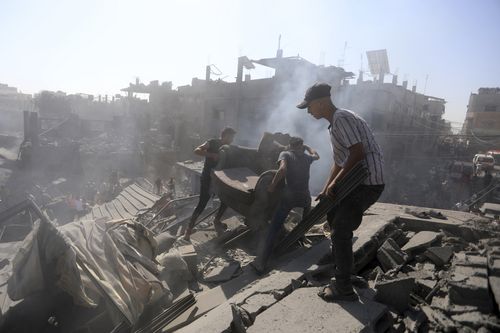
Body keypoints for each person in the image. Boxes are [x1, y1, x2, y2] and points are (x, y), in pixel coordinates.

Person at [297, 83, 385, 302]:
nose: (309, 111)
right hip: (358, 182)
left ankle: (343, 286)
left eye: (310, 107)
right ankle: (344, 270)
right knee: (333, 216)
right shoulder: (334, 125)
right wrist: (328, 187)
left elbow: (357, 152)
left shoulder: (342, 119)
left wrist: (336, 183)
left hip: (367, 182)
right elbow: (339, 161)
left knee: (340, 230)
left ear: (321, 103)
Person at [254, 136, 319, 271]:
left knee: (273, 228)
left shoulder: (286, 154)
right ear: (301, 146)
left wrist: (272, 185)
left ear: (290, 145)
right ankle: (301, 235)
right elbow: (316, 155)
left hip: (290, 196)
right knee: (305, 218)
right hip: (305, 196)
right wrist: (307, 148)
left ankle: (261, 263)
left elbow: (282, 170)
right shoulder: (307, 158)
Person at [184, 127, 236, 240]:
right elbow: (197, 150)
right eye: (231, 137)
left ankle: (217, 220)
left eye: (233, 137)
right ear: (225, 135)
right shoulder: (212, 142)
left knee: (226, 200)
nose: (232, 139)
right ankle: (188, 231)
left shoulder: (229, 148)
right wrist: (211, 155)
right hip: (208, 178)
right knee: (202, 204)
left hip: (220, 180)